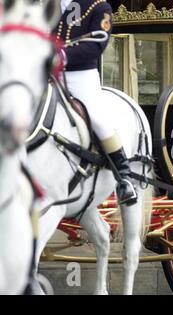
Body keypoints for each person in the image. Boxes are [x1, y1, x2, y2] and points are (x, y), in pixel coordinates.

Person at [55, 0, 137, 205]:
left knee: (99, 120)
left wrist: (62, 55)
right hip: (49, 73)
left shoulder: (100, 7)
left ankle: (124, 176)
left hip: (81, 76)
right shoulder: (44, 6)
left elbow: (96, 46)